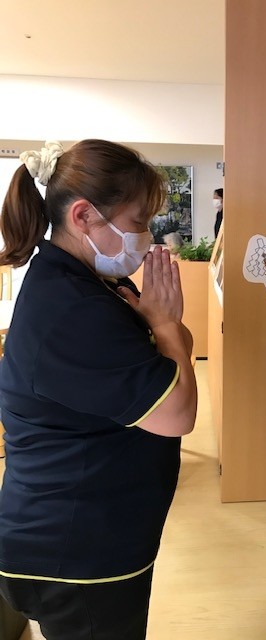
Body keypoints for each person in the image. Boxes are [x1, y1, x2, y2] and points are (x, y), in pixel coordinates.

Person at [0, 139, 197, 640]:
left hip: (86, 534)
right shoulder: (72, 309)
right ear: (84, 216)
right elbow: (177, 412)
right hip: (75, 554)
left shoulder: (85, 282)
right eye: (138, 222)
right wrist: (166, 325)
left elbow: (169, 360)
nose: (146, 237)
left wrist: (166, 329)